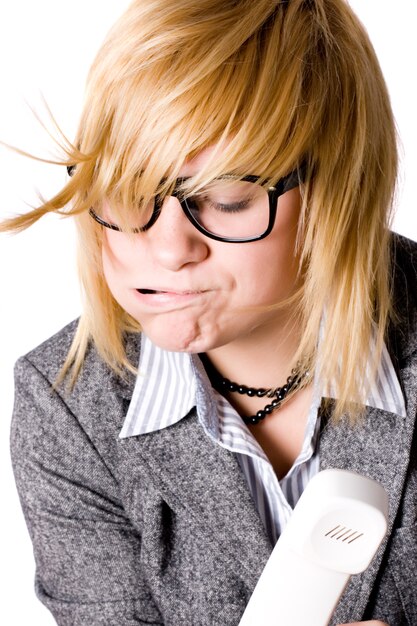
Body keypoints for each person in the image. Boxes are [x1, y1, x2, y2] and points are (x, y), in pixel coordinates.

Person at [1, 0, 416, 624]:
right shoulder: (67, 404)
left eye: (226, 200)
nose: (168, 249)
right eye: (130, 190)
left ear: (338, 192)